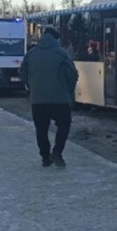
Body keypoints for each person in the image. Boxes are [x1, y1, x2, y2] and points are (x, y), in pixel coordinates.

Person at [19, 26, 79, 167]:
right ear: (56, 38)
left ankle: (45, 157)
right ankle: (57, 151)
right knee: (64, 125)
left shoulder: (31, 54)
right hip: (60, 99)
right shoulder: (62, 53)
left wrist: (32, 87)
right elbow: (73, 74)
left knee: (41, 129)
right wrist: (68, 91)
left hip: (38, 100)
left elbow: (22, 73)